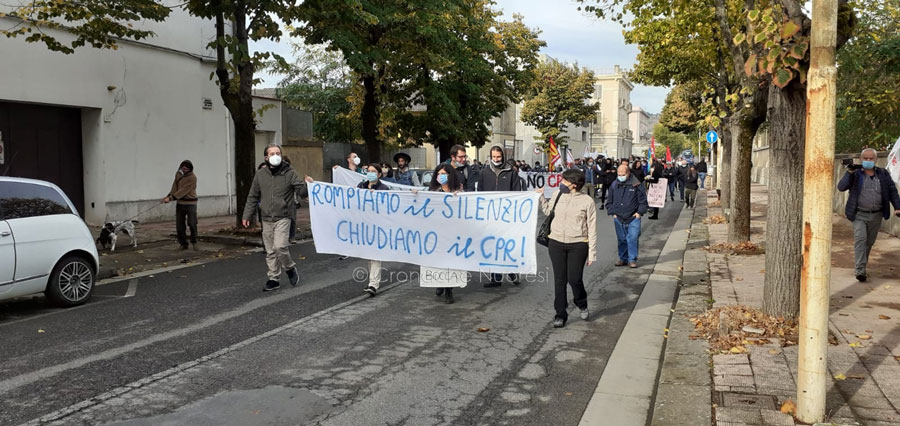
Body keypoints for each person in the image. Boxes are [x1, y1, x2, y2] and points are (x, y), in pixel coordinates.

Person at [242, 145, 311, 292]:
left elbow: (301, 191)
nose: (276, 156)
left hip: (283, 216)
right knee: (270, 251)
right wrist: (247, 215)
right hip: (266, 217)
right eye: (272, 153)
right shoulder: (260, 174)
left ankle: (290, 268)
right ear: (266, 157)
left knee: (280, 247)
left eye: (278, 153)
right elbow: (253, 195)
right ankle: (273, 278)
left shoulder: (289, 173)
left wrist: (308, 184)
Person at [537, 168, 597, 328]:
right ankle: (560, 314)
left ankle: (581, 302)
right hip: (556, 242)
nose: (561, 183)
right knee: (560, 280)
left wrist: (592, 253)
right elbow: (548, 211)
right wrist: (541, 197)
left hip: (578, 244)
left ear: (574, 184)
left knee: (574, 279)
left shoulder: (587, 201)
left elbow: (592, 228)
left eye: (565, 181)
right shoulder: (558, 194)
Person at [837, 148, 900, 282]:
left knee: (869, 242)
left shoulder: (883, 174)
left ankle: (862, 266)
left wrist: (897, 207)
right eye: (866, 158)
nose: (868, 161)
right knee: (860, 239)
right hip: (859, 214)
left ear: (875, 160)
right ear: (861, 159)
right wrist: (849, 172)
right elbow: (841, 187)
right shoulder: (855, 174)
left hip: (876, 215)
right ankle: (860, 270)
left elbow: (892, 190)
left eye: (871, 159)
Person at [477, 146, 523, 287]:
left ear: (503, 156)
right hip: (490, 216)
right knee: (493, 247)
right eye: (494, 157)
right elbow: (480, 192)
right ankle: (495, 278)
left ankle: (511, 272)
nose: (496, 160)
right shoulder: (484, 172)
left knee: (505, 246)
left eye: (499, 157)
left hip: (506, 216)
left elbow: (517, 193)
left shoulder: (511, 172)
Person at [429, 163, 464, 303]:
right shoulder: (432, 190)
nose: (441, 176)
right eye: (439, 174)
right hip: (436, 231)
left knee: (450, 261)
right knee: (438, 260)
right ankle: (440, 283)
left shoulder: (458, 190)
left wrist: (458, 197)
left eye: (444, 174)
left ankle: (449, 289)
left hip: (452, 232)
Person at [606, 164, 648, 268]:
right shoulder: (614, 184)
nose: (620, 176)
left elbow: (643, 201)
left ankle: (632, 259)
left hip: (633, 217)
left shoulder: (636, 184)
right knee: (622, 239)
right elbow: (609, 201)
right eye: (619, 174)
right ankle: (623, 258)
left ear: (628, 173)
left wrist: (639, 213)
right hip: (618, 217)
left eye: (623, 174)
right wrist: (613, 212)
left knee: (632, 238)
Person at [359, 164, 391, 296]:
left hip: (378, 226)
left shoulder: (384, 188)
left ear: (379, 175)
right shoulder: (361, 186)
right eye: (369, 171)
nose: (370, 173)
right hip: (364, 226)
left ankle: (373, 284)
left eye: (374, 171)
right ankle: (372, 281)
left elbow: (388, 206)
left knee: (375, 255)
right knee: (369, 256)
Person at [162, 160, 198, 250]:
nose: (184, 170)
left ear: (190, 169)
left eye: (186, 169)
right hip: (180, 203)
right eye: (183, 168)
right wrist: (168, 196)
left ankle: (194, 241)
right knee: (179, 225)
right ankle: (183, 244)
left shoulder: (193, 178)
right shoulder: (178, 174)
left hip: (191, 203)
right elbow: (175, 187)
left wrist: (171, 198)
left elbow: (184, 190)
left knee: (192, 223)